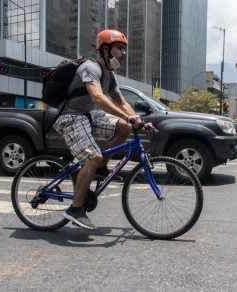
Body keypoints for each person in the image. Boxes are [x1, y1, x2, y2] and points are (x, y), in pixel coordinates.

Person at [53, 29, 144, 230]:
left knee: (124, 126)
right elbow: (97, 98)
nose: (123, 53)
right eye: (119, 48)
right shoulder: (90, 68)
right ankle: (75, 209)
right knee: (91, 158)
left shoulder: (109, 75)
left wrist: (136, 119)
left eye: (124, 49)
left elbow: (121, 101)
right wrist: (126, 115)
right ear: (105, 49)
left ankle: (101, 166)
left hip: (87, 115)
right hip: (70, 116)